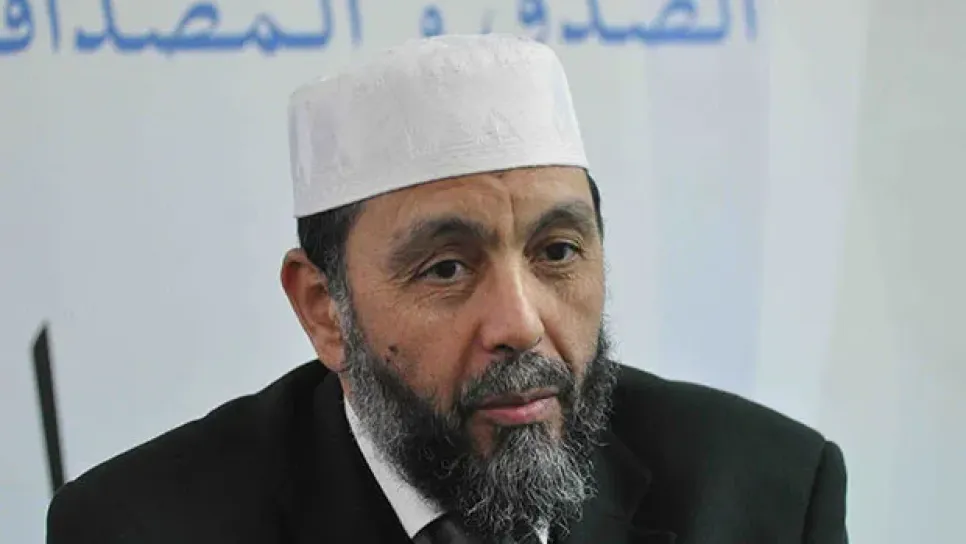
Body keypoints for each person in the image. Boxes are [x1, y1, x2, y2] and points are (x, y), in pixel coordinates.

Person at [45, 34, 848, 544]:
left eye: (557, 252)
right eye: (447, 269)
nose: (520, 325)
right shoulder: (143, 527)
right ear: (325, 311)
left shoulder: (765, 494)